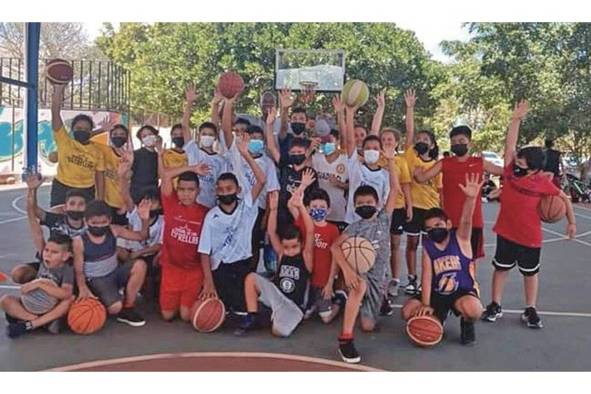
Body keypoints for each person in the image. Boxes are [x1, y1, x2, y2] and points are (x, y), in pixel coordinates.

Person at [481, 100, 577, 329]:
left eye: (521, 162)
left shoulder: (541, 183)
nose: (516, 163)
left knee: (530, 273)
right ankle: (495, 304)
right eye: (517, 160)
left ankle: (530, 308)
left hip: (530, 237)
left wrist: (571, 222)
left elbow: (564, 198)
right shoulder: (510, 173)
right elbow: (510, 145)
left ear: (533, 168)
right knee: (501, 269)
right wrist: (515, 120)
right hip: (506, 232)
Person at [330, 152, 399, 364]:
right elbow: (334, 247)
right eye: (359, 203)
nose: (364, 205)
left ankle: (380, 299)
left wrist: (390, 162)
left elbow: (395, 189)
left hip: (379, 278)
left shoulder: (383, 219)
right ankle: (345, 339)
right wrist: (348, 270)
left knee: (368, 326)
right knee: (359, 287)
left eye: (368, 202)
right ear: (355, 207)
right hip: (360, 275)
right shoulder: (354, 227)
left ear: (377, 203)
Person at [401, 173, 485, 346]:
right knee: (408, 311)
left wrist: (470, 199)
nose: (434, 230)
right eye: (429, 228)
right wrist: (425, 304)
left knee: (474, 310)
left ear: (448, 224)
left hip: (460, 290)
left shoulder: (460, 238)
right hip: (436, 293)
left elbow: (467, 221)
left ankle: (467, 322)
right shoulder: (428, 245)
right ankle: (438, 317)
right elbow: (426, 276)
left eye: (438, 225)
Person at [414, 125, 503, 274]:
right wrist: (416, 172)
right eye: (454, 142)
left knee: (471, 259)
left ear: (470, 143)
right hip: (449, 222)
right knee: (448, 259)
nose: (457, 144)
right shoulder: (445, 163)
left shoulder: (480, 163)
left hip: (473, 221)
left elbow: (506, 173)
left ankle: (471, 289)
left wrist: (502, 189)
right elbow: (422, 178)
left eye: (461, 140)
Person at [198, 133, 267, 314]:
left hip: (243, 265)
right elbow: (204, 253)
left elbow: (262, 180)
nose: (224, 192)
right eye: (220, 189)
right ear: (216, 192)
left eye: (229, 189)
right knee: (218, 311)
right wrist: (209, 283)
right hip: (221, 268)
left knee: (244, 311)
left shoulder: (247, 206)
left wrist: (246, 155)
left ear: (238, 190)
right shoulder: (211, 216)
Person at [1, 175, 75, 338]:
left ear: (66, 256)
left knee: (68, 302)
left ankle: (30, 325)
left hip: (51, 303)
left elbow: (65, 294)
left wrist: (39, 284)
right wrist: (31, 190)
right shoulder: (43, 257)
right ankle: (39, 321)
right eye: (47, 250)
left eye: (53, 252)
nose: (47, 254)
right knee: (5, 300)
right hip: (33, 306)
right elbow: (34, 224)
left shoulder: (66, 269)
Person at [235, 188, 313, 337]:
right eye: (287, 247)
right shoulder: (282, 254)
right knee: (251, 278)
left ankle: (274, 316)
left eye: (294, 247)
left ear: (301, 245)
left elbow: (309, 230)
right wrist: (274, 209)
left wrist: (301, 206)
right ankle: (253, 316)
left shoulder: (306, 256)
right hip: (276, 295)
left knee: (278, 332)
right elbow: (271, 232)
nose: (290, 251)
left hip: (292, 306)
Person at [221, 94, 280, 271]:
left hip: (258, 210)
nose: (255, 141)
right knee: (233, 243)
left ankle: (249, 277)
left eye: (258, 138)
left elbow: (272, 193)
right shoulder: (237, 153)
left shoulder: (267, 163)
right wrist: (228, 102)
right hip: (237, 207)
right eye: (251, 137)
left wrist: (266, 217)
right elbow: (225, 129)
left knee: (253, 247)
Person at [157, 149, 215, 322]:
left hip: (194, 271)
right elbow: (166, 176)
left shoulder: (206, 213)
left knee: (186, 316)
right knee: (167, 315)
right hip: (171, 268)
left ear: (198, 191)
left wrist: (207, 279)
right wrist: (192, 168)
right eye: (181, 189)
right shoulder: (171, 203)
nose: (186, 193)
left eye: (190, 189)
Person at [73, 200, 151, 327]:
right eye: (94, 223)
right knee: (115, 308)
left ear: (109, 220)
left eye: (103, 222)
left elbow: (142, 236)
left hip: (115, 272)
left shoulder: (114, 230)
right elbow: (79, 270)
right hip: (96, 280)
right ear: (86, 221)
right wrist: (83, 289)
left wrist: (144, 219)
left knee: (140, 265)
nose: (99, 226)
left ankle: (129, 307)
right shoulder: (79, 241)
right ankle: (103, 300)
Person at [10, 174, 86, 285]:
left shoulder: (91, 225)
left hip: (75, 266)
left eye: (80, 204)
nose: (76, 207)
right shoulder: (56, 220)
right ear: (65, 207)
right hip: (51, 262)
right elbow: (33, 211)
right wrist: (32, 190)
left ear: (86, 208)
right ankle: (42, 284)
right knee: (18, 273)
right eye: (72, 204)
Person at [402, 89, 442, 295]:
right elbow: (409, 132)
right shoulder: (411, 156)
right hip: (413, 207)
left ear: (433, 144)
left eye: (426, 139)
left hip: (431, 210)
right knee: (411, 243)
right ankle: (411, 278)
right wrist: (410, 108)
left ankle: (432, 279)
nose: (422, 140)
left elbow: (440, 191)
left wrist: (443, 213)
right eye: (420, 138)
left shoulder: (437, 165)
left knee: (431, 247)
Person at [117, 153, 164, 301]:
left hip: (149, 255)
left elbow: (159, 245)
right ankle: (118, 286)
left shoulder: (163, 220)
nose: (148, 206)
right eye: (145, 202)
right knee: (116, 247)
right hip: (131, 253)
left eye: (153, 202)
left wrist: (141, 253)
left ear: (160, 204)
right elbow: (125, 194)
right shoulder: (135, 212)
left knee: (160, 255)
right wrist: (122, 176)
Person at [49, 82, 105, 207]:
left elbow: (100, 177)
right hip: (62, 187)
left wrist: (100, 200)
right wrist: (58, 90)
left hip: (86, 189)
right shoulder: (65, 141)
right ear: (73, 129)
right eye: (79, 128)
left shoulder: (97, 152)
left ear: (90, 131)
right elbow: (55, 113)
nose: (82, 131)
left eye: (86, 129)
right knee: (57, 221)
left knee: (84, 224)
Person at [343, 102, 393, 225]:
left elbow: (386, 199)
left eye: (375, 148)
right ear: (362, 151)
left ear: (381, 152)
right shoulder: (355, 166)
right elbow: (350, 141)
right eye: (368, 148)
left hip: (375, 224)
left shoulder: (386, 174)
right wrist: (349, 114)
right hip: (353, 222)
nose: (371, 150)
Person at [379, 127, 413, 304]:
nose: (386, 142)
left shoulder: (401, 161)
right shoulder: (376, 158)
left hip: (397, 206)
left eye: (390, 139)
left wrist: (409, 205)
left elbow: (406, 184)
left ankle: (395, 279)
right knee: (380, 245)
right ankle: (380, 279)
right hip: (380, 208)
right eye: (383, 139)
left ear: (396, 142)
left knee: (395, 243)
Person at [182, 86, 228, 208]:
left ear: (215, 137)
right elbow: (185, 127)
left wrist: (216, 105)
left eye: (210, 134)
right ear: (199, 135)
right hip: (190, 204)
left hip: (209, 206)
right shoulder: (193, 150)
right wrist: (189, 102)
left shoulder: (221, 161)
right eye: (204, 134)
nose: (207, 136)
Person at [310, 96, 350, 232]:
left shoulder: (345, 159)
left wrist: (340, 185)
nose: (327, 144)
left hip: (338, 214)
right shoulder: (316, 158)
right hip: (318, 213)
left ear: (337, 141)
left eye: (331, 141)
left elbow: (354, 184)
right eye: (324, 141)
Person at [95, 124, 132, 226]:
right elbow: (86, 140)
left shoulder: (131, 156)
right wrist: (102, 129)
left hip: (124, 205)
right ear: (110, 136)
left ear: (126, 137)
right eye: (115, 134)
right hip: (107, 203)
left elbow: (132, 183)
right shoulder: (105, 150)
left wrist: (126, 203)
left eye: (122, 134)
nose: (118, 137)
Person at [130, 125, 160, 203]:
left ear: (156, 136)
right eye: (144, 136)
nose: (148, 137)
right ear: (141, 140)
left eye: (150, 134)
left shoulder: (159, 155)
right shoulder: (136, 155)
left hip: (153, 196)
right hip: (137, 195)